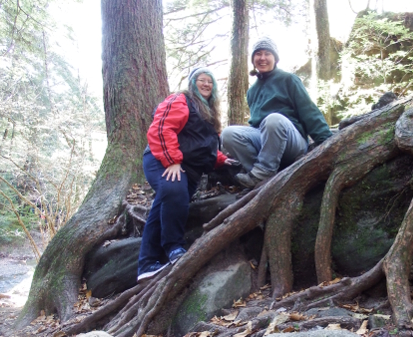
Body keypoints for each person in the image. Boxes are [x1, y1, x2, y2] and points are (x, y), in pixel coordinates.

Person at [137, 67, 234, 282]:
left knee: (163, 205)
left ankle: (147, 264)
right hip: (162, 160)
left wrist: (220, 159)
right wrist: (172, 161)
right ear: (193, 83)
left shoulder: (208, 113)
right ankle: (174, 249)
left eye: (210, 81)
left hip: (188, 169)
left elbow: (203, 145)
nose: (206, 84)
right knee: (174, 191)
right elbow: (161, 128)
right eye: (202, 80)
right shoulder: (180, 100)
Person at [222, 36, 332, 189]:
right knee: (228, 133)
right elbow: (255, 124)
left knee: (273, 119)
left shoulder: (288, 79)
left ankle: (262, 173)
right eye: (258, 54)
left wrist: (326, 140)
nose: (262, 58)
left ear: (275, 58)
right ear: (253, 59)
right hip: (267, 141)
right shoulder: (252, 91)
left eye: (267, 54)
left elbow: (308, 111)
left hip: (293, 141)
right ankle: (258, 175)